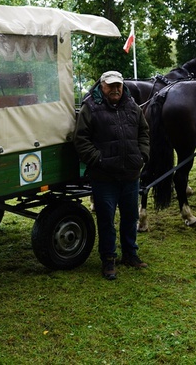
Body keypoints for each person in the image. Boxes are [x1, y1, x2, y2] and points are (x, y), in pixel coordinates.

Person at [74, 70, 150, 280]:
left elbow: (144, 132)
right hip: (104, 177)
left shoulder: (132, 106)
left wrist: (142, 155)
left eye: (119, 85)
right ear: (102, 86)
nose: (116, 89)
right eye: (111, 85)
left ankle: (130, 254)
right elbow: (81, 139)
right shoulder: (90, 108)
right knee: (106, 219)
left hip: (130, 174)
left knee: (130, 216)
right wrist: (98, 159)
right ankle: (108, 259)